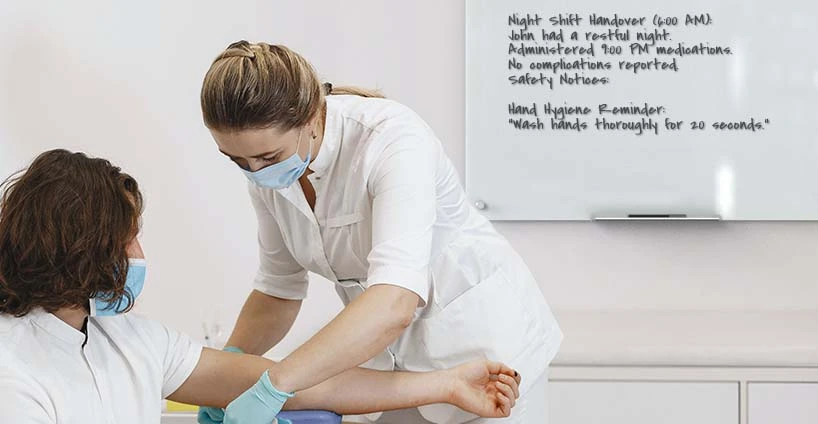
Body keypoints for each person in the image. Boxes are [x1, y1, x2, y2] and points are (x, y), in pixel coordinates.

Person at [0, 149, 522, 424]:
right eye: (129, 242)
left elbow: (301, 384)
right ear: (82, 250)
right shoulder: (13, 371)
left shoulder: (131, 341)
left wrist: (446, 384)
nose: (138, 257)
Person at [199, 40, 563, 424]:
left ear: (310, 119)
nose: (255, 172)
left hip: (486, 360)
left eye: (268, 158)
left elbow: (394, 302)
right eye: (237, 160)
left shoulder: (392, 141)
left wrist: (273, 386)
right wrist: (226, 367)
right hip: (391, 370)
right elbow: (278, 288)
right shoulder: (266, 174)